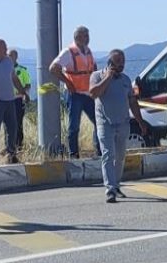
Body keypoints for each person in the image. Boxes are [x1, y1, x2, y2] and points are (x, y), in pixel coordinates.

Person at [88, 49, 147, 203]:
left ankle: (116, 184)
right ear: (110, 63)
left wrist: (140, 121)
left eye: (123, 61)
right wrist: (108, 77)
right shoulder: (97, 76)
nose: (121, 65)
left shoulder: (126, 80)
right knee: (108, 155)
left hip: (123, 123)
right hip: (105, 123)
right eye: (118, 62)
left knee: (120, 157)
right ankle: (110, 189)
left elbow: (133, 102)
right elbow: (94, 93)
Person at [50, 26, 99, 159]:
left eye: (88, 36)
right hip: (74, 94)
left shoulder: (88, 51)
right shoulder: (68, 52)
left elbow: (93, 68)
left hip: (88, 93)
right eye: (85, 36)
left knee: (98, 121)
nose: (88, 38)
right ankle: (73, 154)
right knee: (74, 126)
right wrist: (67, 82)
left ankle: (99, 150)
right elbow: (53, 68)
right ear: (77, 37)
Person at [11, 49, 32, 150]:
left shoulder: (22, 70)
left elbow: (28, 84)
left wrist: (23, 93)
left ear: (16, 57)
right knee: (8, 124)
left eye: (11, 56)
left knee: (18, 123)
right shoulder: (4, 69)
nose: (9, 58)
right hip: (7, 100)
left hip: (18, 99)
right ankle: (10, 145)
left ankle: (19, 145)